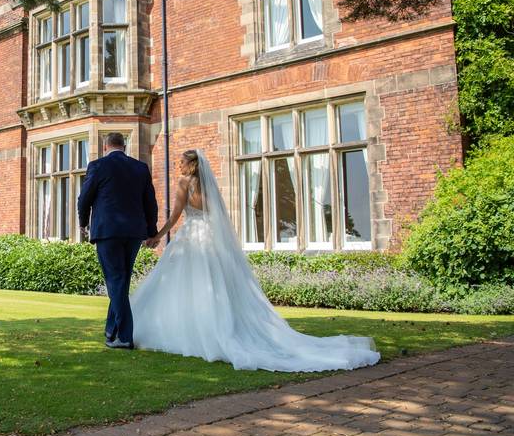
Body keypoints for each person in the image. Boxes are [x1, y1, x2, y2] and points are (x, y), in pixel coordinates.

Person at [131, 149, 380, 372]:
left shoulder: (184, 183)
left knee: (185, 284)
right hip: (210, 238)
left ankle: (190, 331)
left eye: (181, 162)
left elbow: (175, 216)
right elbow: (215, 215)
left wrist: (157, 236)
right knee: (215, 283)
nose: (179, 167)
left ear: (190, 165)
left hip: (191, 237)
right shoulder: (208, 185)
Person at [77, 132, 158, 349]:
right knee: (121, 281)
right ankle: (111, 330)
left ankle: (124, 337)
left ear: (106, 147)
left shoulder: (97, 166)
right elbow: (151, 202)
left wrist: (83, 223)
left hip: (107, 231)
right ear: (124, 146)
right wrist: (152, 231)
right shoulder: (140, 168)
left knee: (115, 281)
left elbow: (84, 198)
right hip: (133, 232)